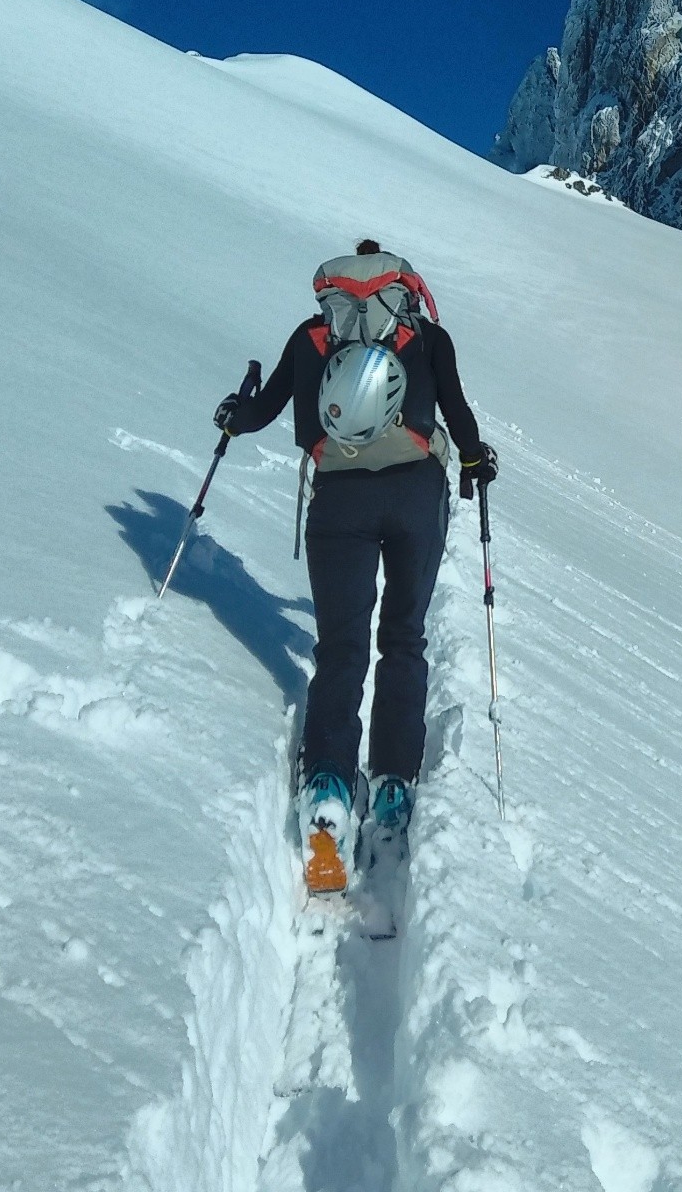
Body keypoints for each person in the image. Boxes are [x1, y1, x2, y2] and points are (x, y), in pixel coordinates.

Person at [214, 240, 497, 893]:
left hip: (338, 499)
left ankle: (330, 797)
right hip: (414, 497)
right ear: (404, 289)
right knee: (403, 637)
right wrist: (478, 461)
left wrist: (235, 413)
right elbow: (456, 413)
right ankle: (393, 790)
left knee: (341, 648)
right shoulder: (428, 337)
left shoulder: (313, 336)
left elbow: (263, 410)